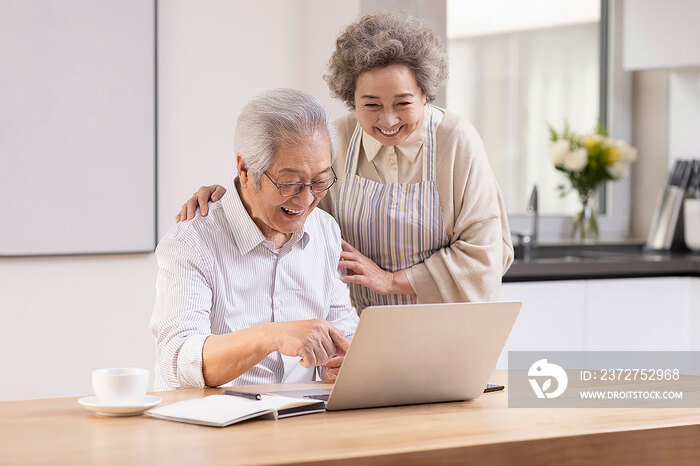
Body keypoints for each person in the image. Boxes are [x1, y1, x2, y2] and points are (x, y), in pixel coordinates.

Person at [177, 12, 513, 312]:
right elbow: (291, 206)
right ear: (350, 98)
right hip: (356, 327)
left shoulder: (456, 142)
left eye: (403, 103)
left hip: (442, 326)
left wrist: (389, 280)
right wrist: (233, 195)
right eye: (371, 105)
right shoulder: (337, 138)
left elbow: (485, 255)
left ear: (426, 93)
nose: (389, 120)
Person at [151, 89, 358, 390]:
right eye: (290, 183)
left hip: (297, 425)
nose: (307, 198)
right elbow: (178, 361)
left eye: (320, 180)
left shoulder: (325, 230)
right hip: (210, 428)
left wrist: (346, 362)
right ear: (245, 169)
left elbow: (344, 331)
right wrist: (272, 336)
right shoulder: (192, 241)